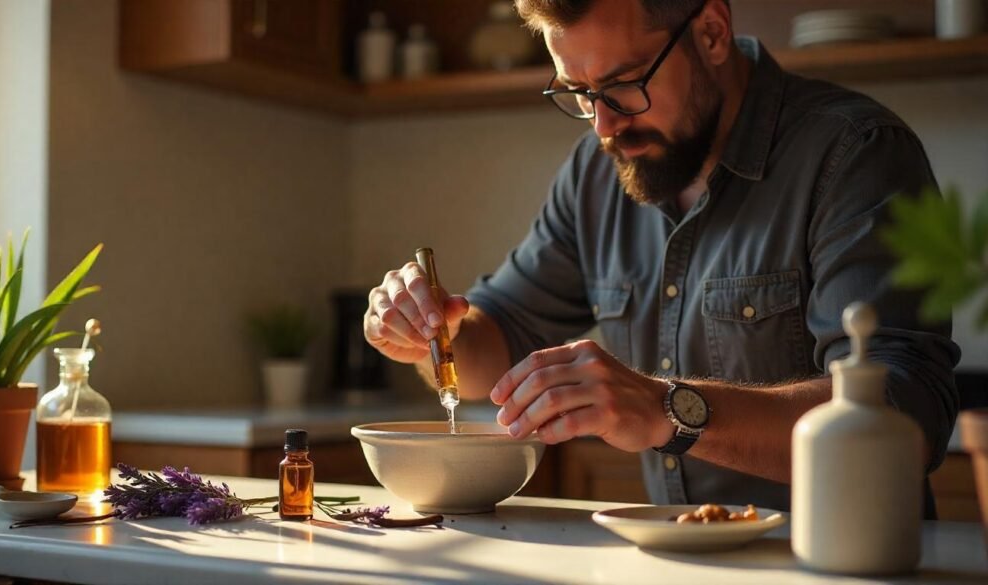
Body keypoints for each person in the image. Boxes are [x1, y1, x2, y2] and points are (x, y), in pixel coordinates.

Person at [362, 0, 960, 514]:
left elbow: (904, 416)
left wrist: (667, 409)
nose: (603, 125)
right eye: (579, 92)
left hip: (845, 564)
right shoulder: (594, 176)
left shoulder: (856, 153)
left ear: (712, 32)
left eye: (624, 83)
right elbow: (493, 346)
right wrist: (431, 333)